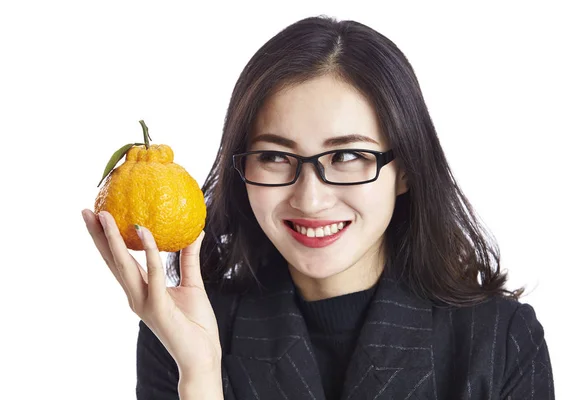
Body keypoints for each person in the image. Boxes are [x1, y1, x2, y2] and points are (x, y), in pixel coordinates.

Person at [82, 15, 554, 400]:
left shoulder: (501, 341)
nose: (310, 198)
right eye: (274, 156)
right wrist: (201, 372)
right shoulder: (183, 334)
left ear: (406, 169)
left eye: (347, 156)